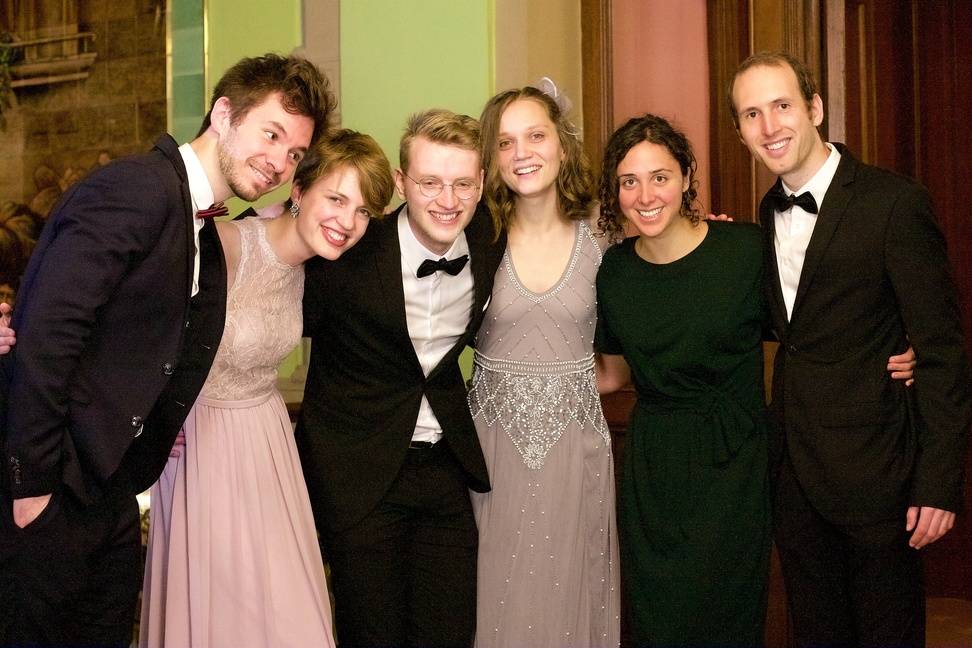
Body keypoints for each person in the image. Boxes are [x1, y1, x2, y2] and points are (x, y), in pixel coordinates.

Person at [0, 53, 334, 647]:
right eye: (272, 134)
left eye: (295, 154)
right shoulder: (137, 189)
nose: (280, 162)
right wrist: (31, 489)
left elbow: (148, 346)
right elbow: (50, 334)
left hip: (110, 495)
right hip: (54, 497)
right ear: (224, 114)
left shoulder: (202, 223)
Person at [728, 51, 971, 646]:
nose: (769, 126)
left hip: (878, 478)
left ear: (814, 108)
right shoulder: (766, 212)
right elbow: (796, 325)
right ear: (740, 131)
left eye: (782, 106)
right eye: (752, 114)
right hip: (795, 480)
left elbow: (942, 351)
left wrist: (938, 484)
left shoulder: (894, 203)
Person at [139, 130, 392, 648]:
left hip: (270, 447)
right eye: (336, 199)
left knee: (291, 620)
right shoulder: (224, 245)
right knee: (221, 617)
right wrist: (152, 417)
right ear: (298, 191)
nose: (347, 222)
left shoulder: (321, 269)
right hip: (202, 452)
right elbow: (136, 324)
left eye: (364, 211)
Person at [295, 108, 506, 648]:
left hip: (446, 471)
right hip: (359, 476)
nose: (448, 199)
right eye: (430, 182)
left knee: (450, 633)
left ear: (481, 183)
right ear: (400, 183)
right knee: (371, 635)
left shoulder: (491, 238)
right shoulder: (347, 248)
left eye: (463, 183)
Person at [594, 114, 771, 646]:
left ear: (687, 178)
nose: (646, 196)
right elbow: (613, 374)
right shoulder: (614, 272)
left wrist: (898, 347)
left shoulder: (746, 249)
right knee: (659, 620)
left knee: (730, 619)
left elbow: (811, 327)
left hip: (735, 461)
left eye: (660, 177)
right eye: (629, 181)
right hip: (655, 467)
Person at [468, 81, 620, 647]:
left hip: (575, 451)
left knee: (569, 596)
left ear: (562, 143)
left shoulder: (605, 237)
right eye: (505, 142)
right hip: (490, 451)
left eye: (535, 135)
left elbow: (625, 355)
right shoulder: (474, 234)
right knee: (492, 600)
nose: (522, 153)